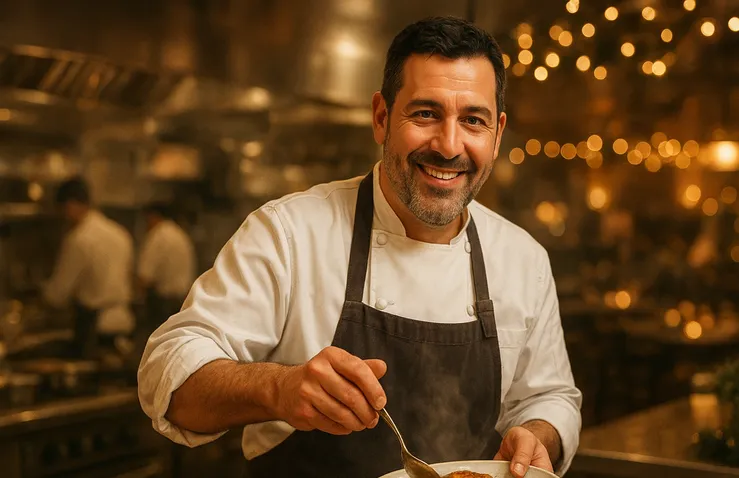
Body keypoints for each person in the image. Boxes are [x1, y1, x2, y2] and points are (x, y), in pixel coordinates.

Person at [138, 16, 582, 478]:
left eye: (473, 120)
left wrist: (538, 432)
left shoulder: (523, 259)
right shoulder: (290, 233)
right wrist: (280, 389)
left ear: (497, 135)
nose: (449, 146)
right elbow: (167, 372)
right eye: (426, 113)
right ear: (381, 117)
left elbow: (550, 396)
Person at [43, 177, 135, 358]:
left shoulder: (79, 239)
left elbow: (58, 294)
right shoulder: (120, 233)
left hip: (94, 327)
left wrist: (43, 296)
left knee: (89, 382)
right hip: (124, 322)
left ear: (70, 205)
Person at [137, 202, 196, 334]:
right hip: (183, 300)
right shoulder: (180, 234)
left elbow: (145, 276)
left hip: (162, 303)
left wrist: (137, 298)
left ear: (153, 217)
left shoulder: (158, 236)